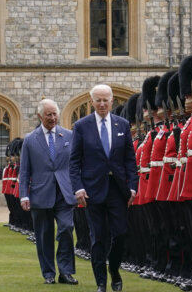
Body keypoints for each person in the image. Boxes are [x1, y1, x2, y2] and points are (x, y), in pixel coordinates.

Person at [69, 84, 139, 292]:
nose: (102, 104)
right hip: (92, 190)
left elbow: (129, 160)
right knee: (97, 238)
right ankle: (101, 282)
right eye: (98, 100)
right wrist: (78, 188)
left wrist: (133, 186)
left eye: (105, 100)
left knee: (120, 234)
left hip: (117, 189)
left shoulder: (122, 125)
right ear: (92, 102)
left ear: (112, 100)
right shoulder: (81, 126)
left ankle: (114, 270)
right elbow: (74, 162)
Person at [19, 99, 78, 285]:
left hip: (64, 192)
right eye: (48, 115)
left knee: (67, 228)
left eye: (55, 114)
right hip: (40, 193)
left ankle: (66, 272)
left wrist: (78, 188)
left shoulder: (69, 136)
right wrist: (24, 195)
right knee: (44, 236)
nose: (53, 118)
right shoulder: (30, 140)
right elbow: (24, 170)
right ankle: (49, 274)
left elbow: (76, 166)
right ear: (40, 116)